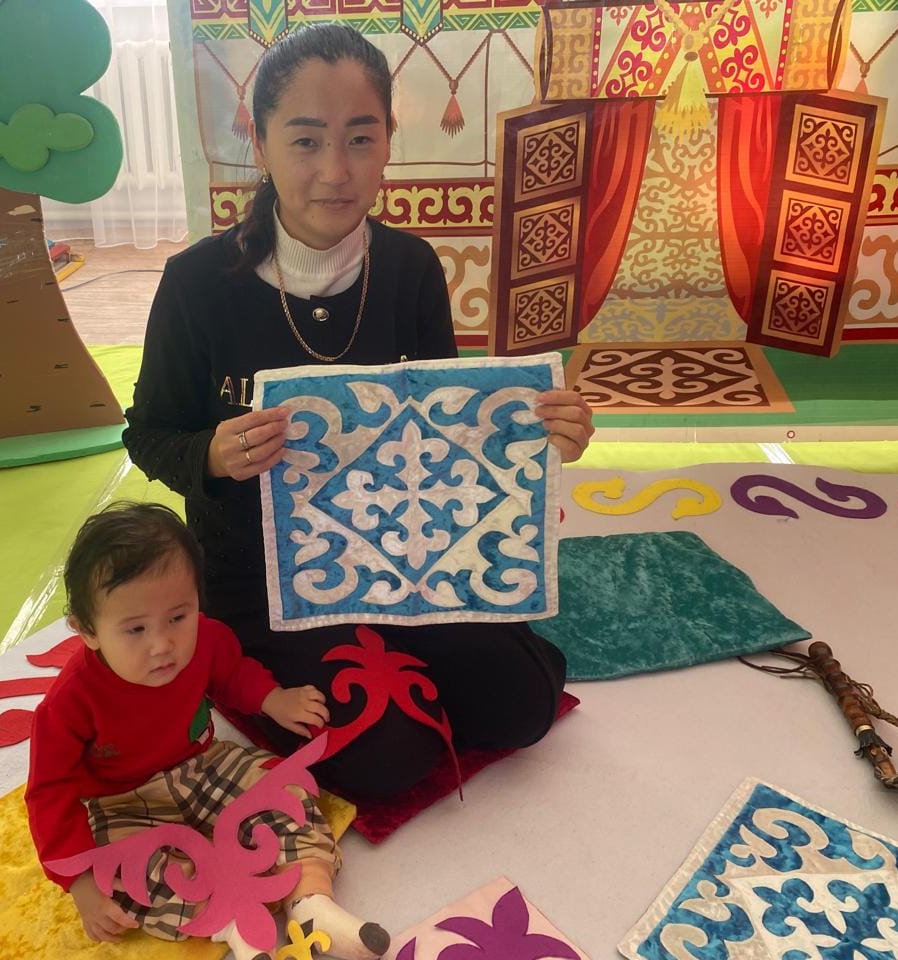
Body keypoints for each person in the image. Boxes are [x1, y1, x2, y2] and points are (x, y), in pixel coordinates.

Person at [123, 25, 595, 799]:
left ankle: (423, 655)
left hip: (405, 560)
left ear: (386, 145)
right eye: (306, 141)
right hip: (261, 579)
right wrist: (211, 453)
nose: (335, 171)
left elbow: (447, 438)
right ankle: (230, 670)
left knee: (524, 706)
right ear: (261, 143)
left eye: (360, 138)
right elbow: (148, 433)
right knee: (386, 761)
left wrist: (540, 438)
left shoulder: (409, 268)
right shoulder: (198, 283)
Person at [26, 502, 390, 960]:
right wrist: (78, 880)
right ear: (87, 631)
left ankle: (311, 903)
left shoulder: (207, 637)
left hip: (203, 763)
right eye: (135, 629)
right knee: (123, 875)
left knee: (285, 787)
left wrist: (272, 699)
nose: (163, 644)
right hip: (122, 802)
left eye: (178, 617)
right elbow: (49, 792)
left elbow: (231, 673)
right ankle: (234, 924)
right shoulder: (68, 703)